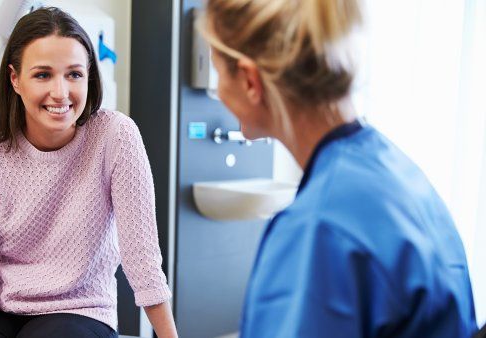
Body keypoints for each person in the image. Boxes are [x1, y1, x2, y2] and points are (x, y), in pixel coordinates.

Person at [201, 0, 477, 337]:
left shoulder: (319, 227)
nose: (218, 91)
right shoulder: (396, 171)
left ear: (249, 81)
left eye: (218, 72)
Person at [0, 7, 178, 338]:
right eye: (43, 75)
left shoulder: (115, 135)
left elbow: (142, 259)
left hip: (79, 309)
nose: (60, 93)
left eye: (74, 74)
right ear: (15, 79)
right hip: (1, 305)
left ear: (89, 74)